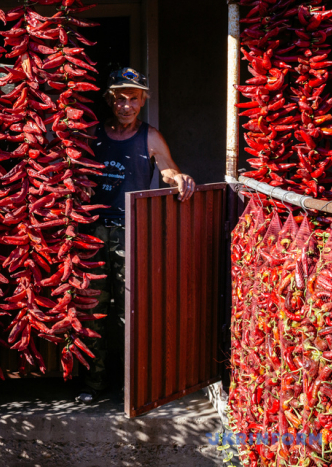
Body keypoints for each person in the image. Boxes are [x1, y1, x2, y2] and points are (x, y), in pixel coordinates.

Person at [76, 67, 195, 404]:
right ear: (110, 100)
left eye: (133, 99)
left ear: (142, 102)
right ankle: (94, 383)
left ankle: (133, 384)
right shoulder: (93, 134)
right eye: (119, 98)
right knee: (92, 308)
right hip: (93, 232)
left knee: (130, 310)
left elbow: (167, 167)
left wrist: (178, 178)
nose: (125, 105)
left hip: (132, 231)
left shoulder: (150, 136)